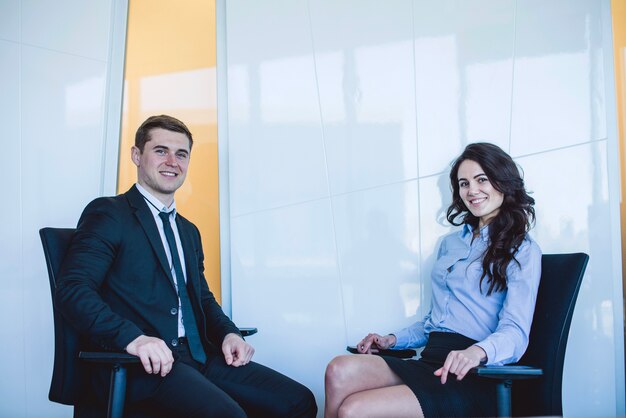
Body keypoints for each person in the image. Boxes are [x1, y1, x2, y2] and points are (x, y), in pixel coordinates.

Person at [56, 115, 317, 418]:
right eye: (160, 150)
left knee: (298, 401)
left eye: (181, 154)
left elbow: (201, 298)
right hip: (145, 364)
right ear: (137, 155)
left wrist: (229, 334)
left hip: (198, 355)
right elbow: (73, 290)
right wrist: (133, 338)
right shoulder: (110, 214)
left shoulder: (188, 231)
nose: (172, 161)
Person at [324, 142, 542, 418]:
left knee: (354, 410)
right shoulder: (451, 244)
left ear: (503, 182)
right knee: (338, 370)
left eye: (481, 180)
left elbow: (516, 332)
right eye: (464, 183)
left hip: (470, 374)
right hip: (430, 360)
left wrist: (476, 352)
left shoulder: (522, 249)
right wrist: (392, 340)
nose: (472, 190)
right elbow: (434, 322)